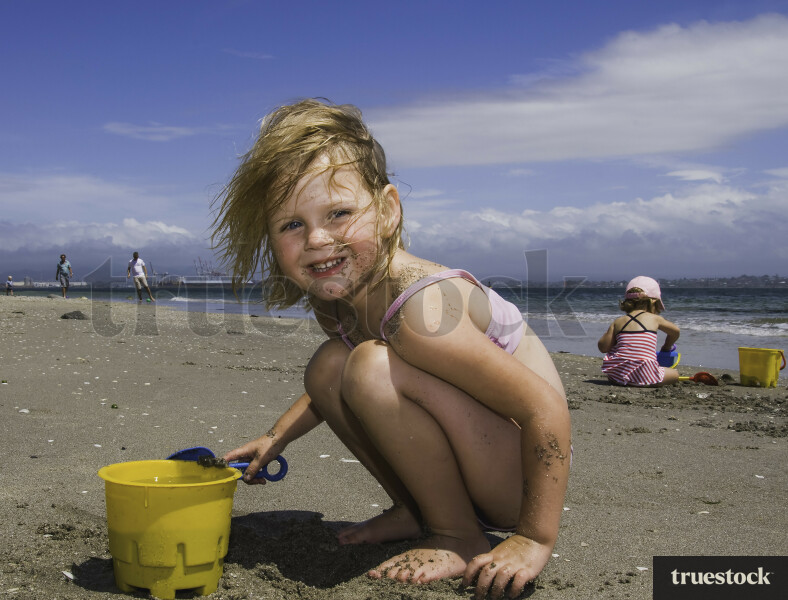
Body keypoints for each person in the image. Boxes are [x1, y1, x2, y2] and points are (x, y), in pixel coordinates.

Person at [215, 99, 570, 599]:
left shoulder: (424, 310)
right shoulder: (336, 301)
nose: (317, 238)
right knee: (329, 366)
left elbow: (544, 408)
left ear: (387, 211)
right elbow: (333, 391)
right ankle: (417, 509)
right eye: (291, 224)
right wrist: (277, 436)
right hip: (474, 458)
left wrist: (533, 536)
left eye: (338, 213)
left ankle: (456, 534)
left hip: (516, 480)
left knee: (367, 367)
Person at [597, 276, 680, 386]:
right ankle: (641, 380)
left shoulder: (618, 322)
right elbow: (675, 332)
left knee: (615, 369)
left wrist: (613, 336)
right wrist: (666, 347)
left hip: (618, 374)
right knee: (675, 374)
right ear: (653, 302)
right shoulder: (655, 319)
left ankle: (624, 379)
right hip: (645, 374)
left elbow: (603, 348)